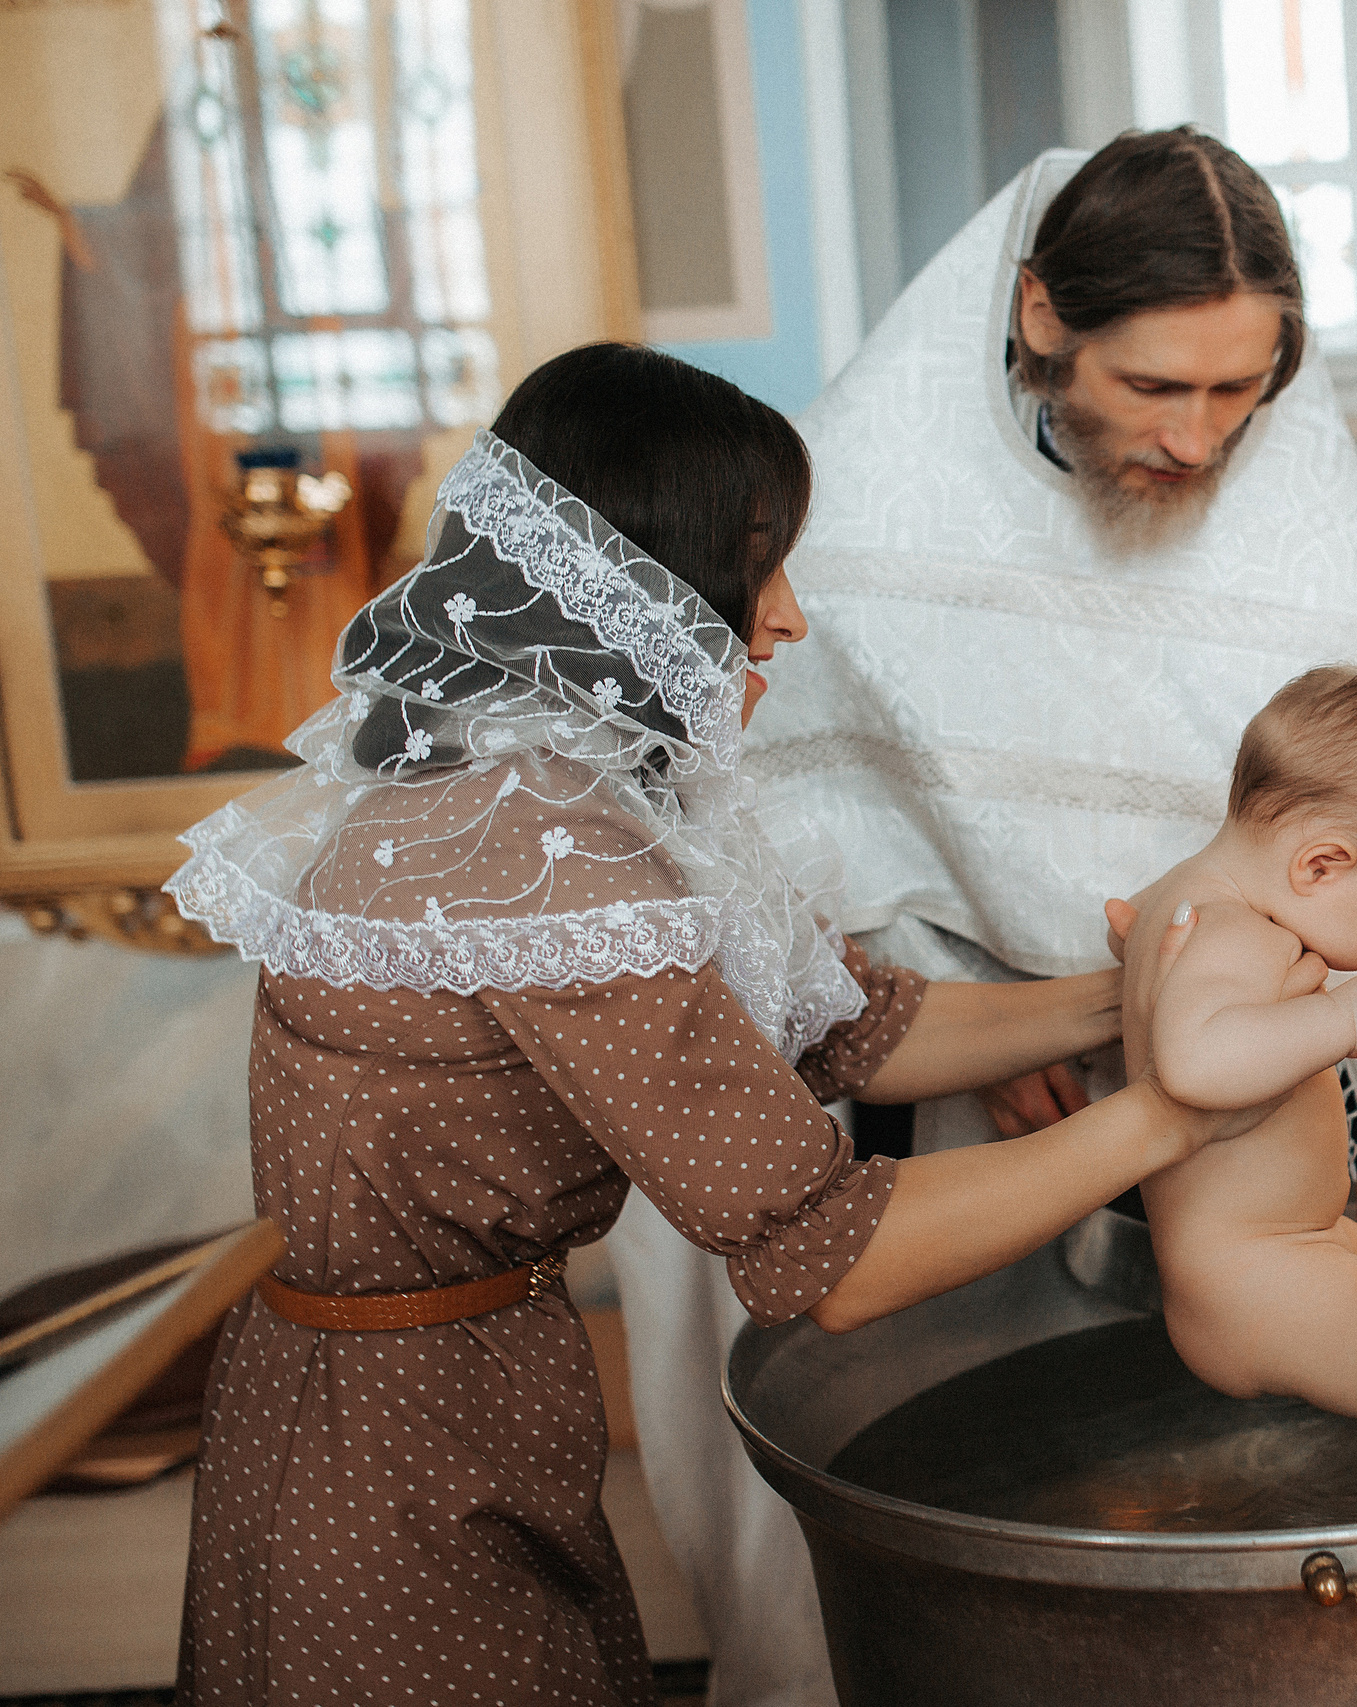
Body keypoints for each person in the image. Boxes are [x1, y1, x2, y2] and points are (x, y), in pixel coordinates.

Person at [167, 345, 1253, 1707]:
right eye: (761, 566)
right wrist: (1180, 1105)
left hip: (437, 1388)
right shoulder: (538, 854)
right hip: (392, 1455)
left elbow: (846, 1026)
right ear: (638, 581)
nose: (788, 620)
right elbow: (829, 1255)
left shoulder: (539, 790)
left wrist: (1133, 993)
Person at [616, 128, 1357, 1704]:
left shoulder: (1288, 510)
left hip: (1257, 1102)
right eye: (1158, 388)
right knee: (1004, 1565)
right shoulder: (868, 499)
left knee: (1293, 1516)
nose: (1203, 439)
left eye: (1242, 391)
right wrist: (981, 1007)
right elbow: (810, 867)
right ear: (1038, 318)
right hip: (968, 1113)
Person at [1120, 668, 1357, 1428]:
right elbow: (1194, 1059)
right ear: (1320, 865)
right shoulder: (1236, 930)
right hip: (1252, 1273)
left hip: (1296, 1240)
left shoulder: (1183, 898)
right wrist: (1346, 1020)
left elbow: (1153, 964)